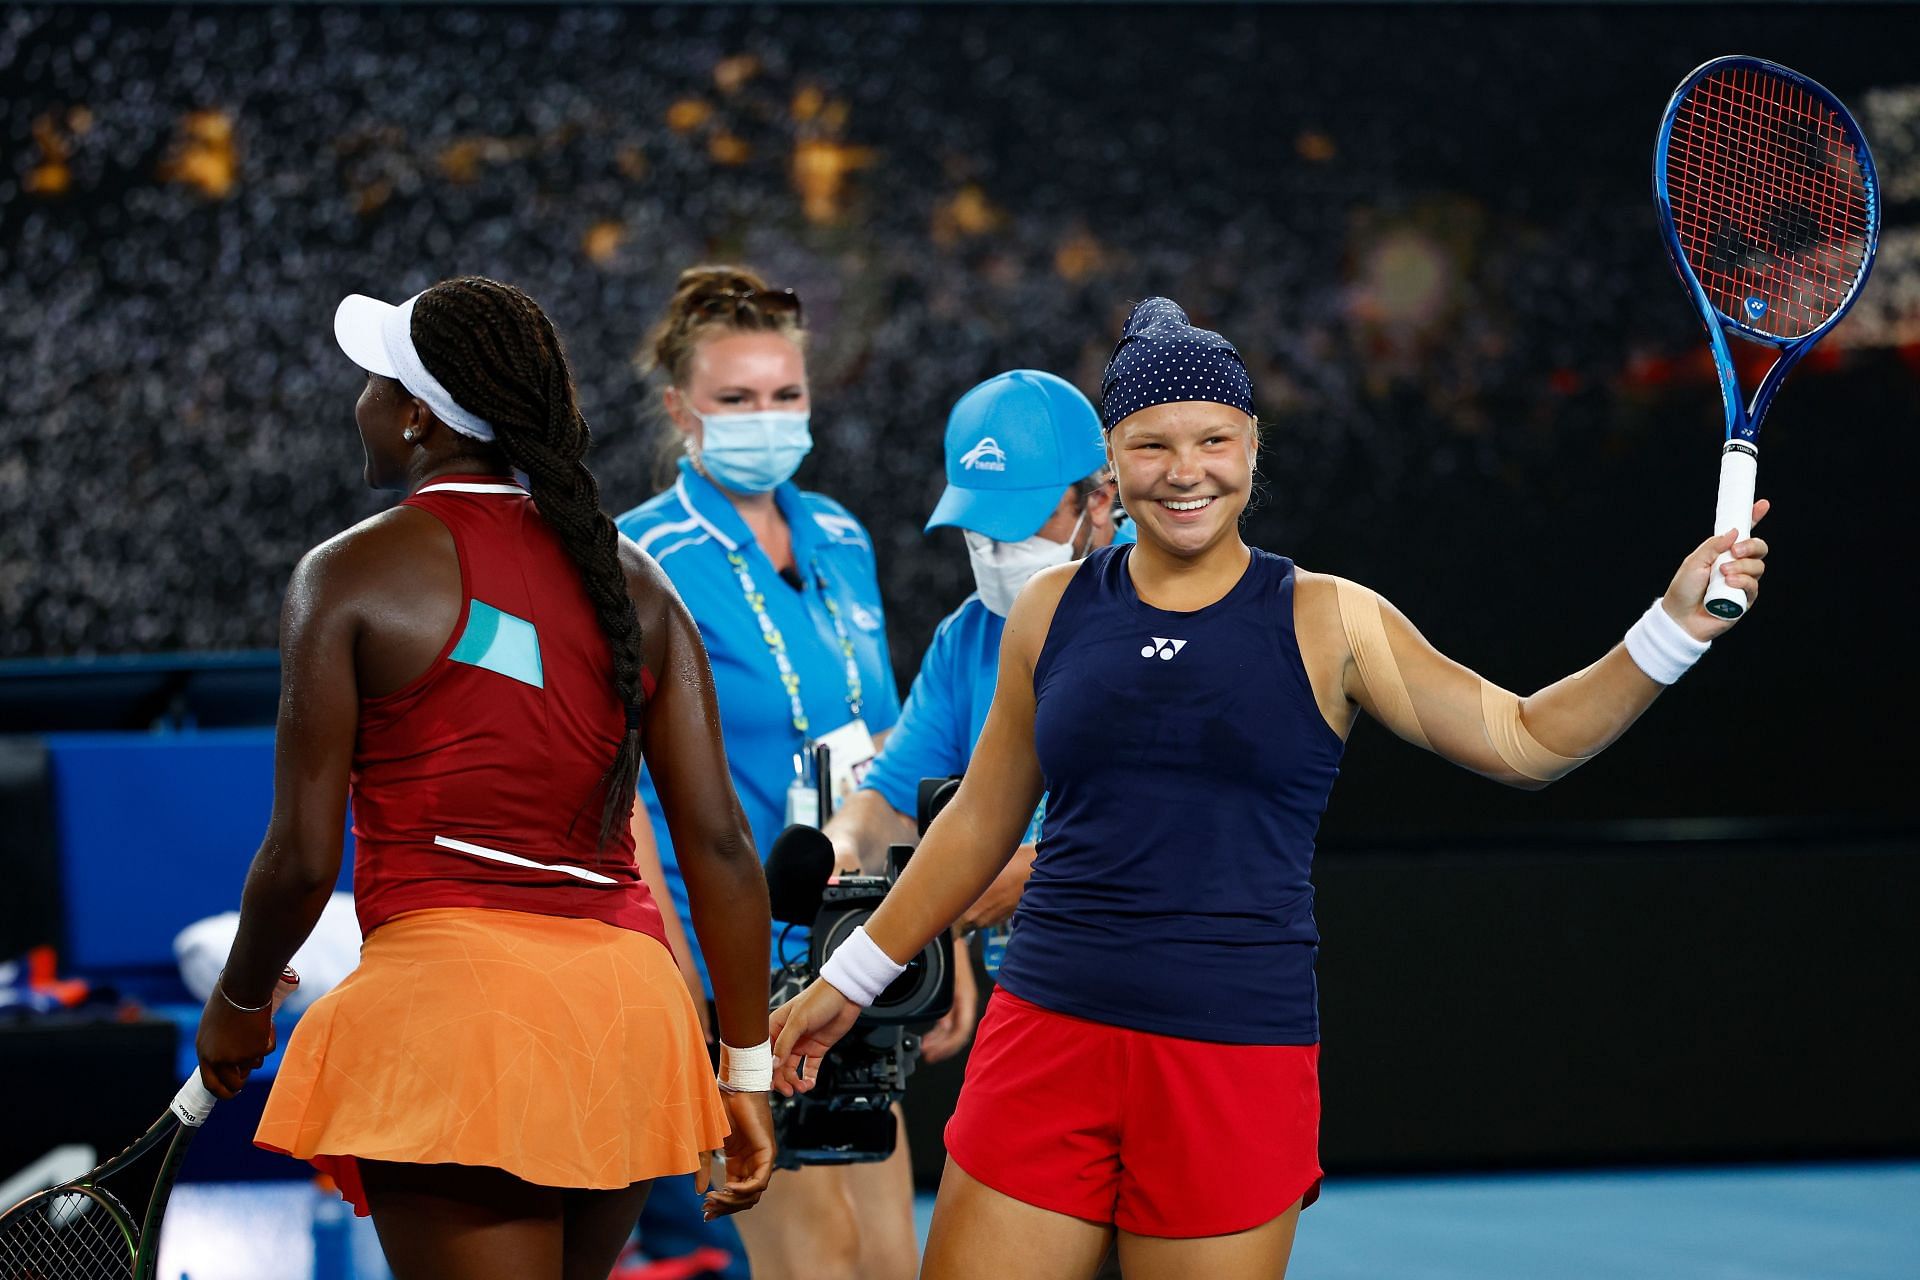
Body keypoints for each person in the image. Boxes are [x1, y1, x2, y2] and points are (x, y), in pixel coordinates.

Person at [769, 297, 1772, 1280]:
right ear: (1111, 465)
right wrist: (850, 980)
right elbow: (980, 821)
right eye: (1152, 445)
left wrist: (1672, 631)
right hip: (1046, 1037)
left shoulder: (1332, 618)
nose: (1186, 470)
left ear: (1253, 446)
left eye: (1213, 438)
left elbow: (1524, 737)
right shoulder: (1048, 610)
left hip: (1231, 1057)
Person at [194, 276, 777, 1280]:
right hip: (629, 1018)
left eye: (375, 382)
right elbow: (719, 844)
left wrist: (241, 999)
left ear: (418, 415)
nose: (361, 403)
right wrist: (749, 1071)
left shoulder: (344, 575)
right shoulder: (640, 582)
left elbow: (298, 857)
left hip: (461, 1021)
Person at [615, 266, 914, 1280]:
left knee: (886, 1260)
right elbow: (626, 802)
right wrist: (683, 989)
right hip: (735, 969)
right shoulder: (637, 558)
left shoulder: (841, 535)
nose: (766, 418)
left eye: (785, 396)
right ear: (679, 410)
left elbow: (893, 748)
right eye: (736, 399)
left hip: (858, 959)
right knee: (812, 1260)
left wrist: (932, 943)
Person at [824, 370, 1121, 956]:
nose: (993, 554)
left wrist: (1039, 868)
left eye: (1015, 530)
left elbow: (1206, 807)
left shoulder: (1170, 608)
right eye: (976, 533)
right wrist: (844, 840)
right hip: (1028, 983)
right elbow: (893, 802)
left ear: (1100, 500)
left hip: (1161, 977)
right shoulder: (968, 636)